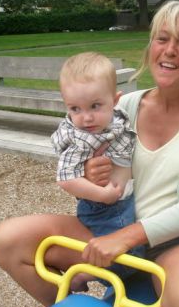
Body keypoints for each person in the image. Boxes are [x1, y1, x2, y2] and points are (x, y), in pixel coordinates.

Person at [0, 0, 179, 307]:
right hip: (111, 223)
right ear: (151, 46)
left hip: (177, 239)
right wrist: (92, 175)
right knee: (8, 240)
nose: (170, 50)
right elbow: (88, 166)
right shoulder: (123, 106)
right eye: (161, 38)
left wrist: (129, 236)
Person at [50, 52, 142, 290]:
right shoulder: (79, 139)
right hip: (102, 208)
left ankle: (86, 272)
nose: (86, 117)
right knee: (128, 262)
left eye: (95, 106)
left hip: (122, 201)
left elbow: (124, 156)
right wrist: (104, 195)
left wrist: (119, 182)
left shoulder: (116, 121)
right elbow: (66, 180)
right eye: (75, 109)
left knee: (136, 253)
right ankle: (83, 274)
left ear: (115, 100)